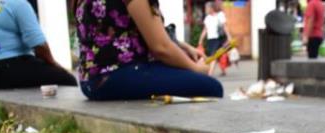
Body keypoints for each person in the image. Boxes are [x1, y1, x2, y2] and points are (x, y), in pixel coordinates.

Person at [74, 0, 222, 101]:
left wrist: (184, 47)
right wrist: (195, 68)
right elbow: (161, 48)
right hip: (117, 75)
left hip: (90, 81)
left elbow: (121, 31)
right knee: (212, 87)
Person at [0, 0, 77, 89]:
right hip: (4, 69)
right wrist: (56, 66)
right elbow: (39, 45)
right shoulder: (19, 4)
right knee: (67, 79)